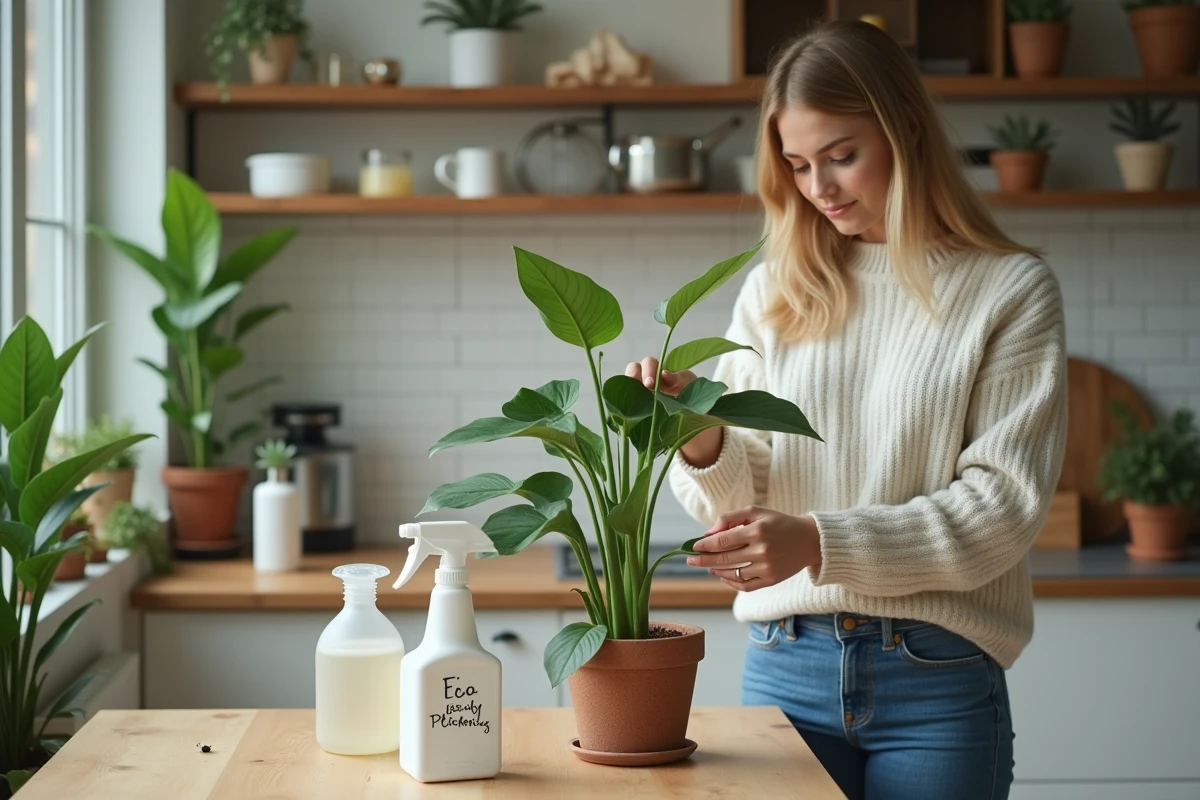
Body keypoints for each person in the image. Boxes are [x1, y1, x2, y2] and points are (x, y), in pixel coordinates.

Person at [625, 20, 1067, 800]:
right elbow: (739, 504)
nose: (819, 188)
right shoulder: (777, 289)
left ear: (906, 133)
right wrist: (698, 438)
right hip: (783, 664)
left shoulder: (1009, 290)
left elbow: (1001, 511)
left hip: (938, 677)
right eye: (797, 164)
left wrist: (818, 542)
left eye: (841, 156)